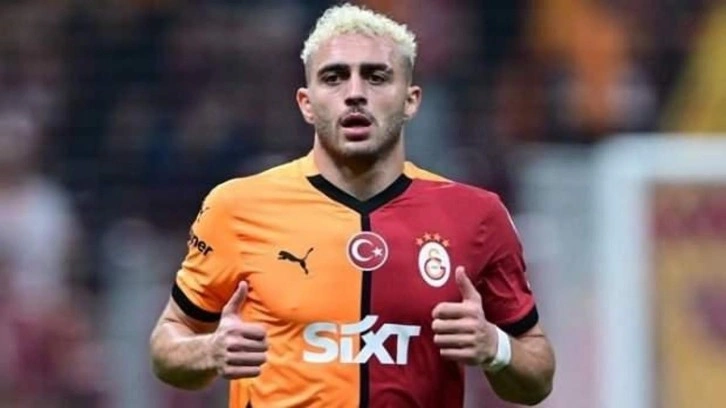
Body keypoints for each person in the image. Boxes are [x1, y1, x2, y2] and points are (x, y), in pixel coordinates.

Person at [149, 3, 555, 407]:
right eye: (334, 77)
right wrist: (209, 351)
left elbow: (538, 374)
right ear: (306, 103)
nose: (355, 93)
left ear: (411, 100)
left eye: (376, 77)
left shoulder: (477, 215)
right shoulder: (237, 207)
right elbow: (168, 342)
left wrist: (496, 347)